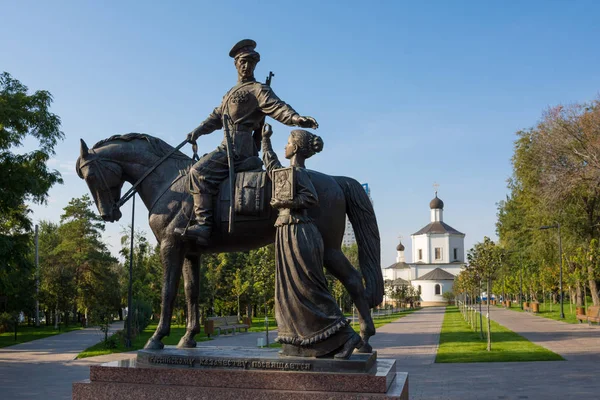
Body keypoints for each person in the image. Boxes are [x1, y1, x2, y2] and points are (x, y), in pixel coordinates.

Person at [180, 39, 318, 244]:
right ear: (236, 64)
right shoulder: (229, 94)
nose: (246, 66)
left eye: (251, 63)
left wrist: (296, 118)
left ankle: (203, 225)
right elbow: (216, 117)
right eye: (243, 62)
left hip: (240, 149)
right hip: (226, 145)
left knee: (198, 173)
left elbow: (278, 107)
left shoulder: (258, 90)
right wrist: (197, 131)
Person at [261, 123, 362, 359]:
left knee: (308, 287)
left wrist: (284, 204)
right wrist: (265, 140)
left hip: (299, 231)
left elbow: (310, 198)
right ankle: (300, 342)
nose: (284, 146)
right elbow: (271, 166)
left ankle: (348, 337)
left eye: (287, 143)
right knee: (289, 291)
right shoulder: (286, 174)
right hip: (285, 231)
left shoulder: (300, 174)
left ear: (295, 147)